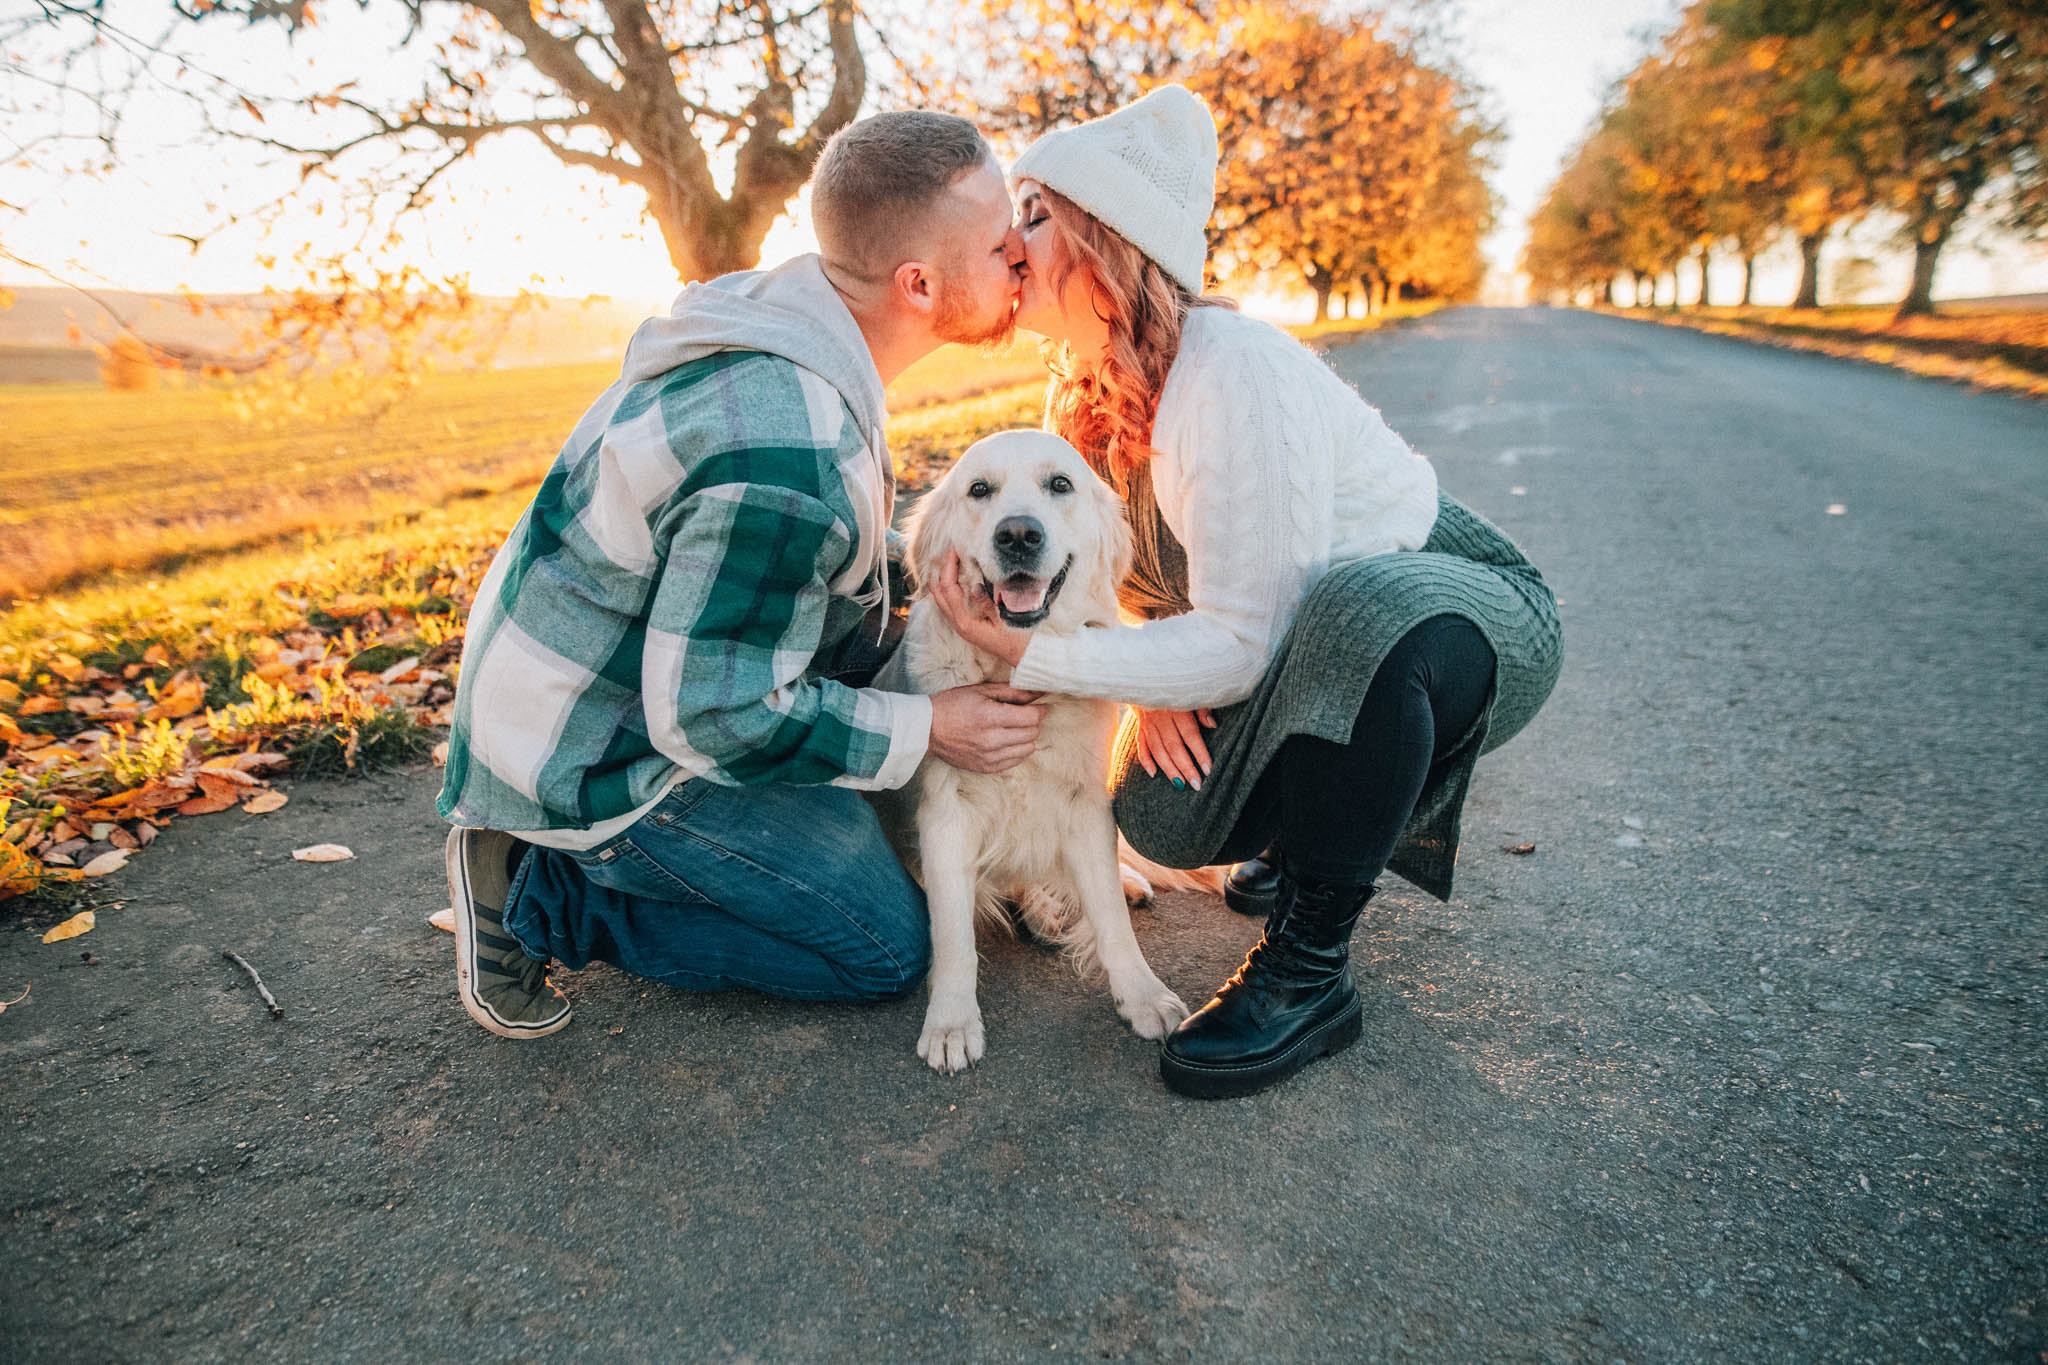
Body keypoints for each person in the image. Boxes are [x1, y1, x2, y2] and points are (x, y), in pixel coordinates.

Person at [930, 86, 1564, 1098]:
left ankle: (1309, 971)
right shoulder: (1081, 390)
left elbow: (1245, 634)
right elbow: (1121, 583)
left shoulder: (1232, 371)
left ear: (1107, 239)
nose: (1011, 241)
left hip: (1466, 610)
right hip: (1299, 626)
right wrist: (1147, 677)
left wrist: (1028, 652)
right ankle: (1316, 826)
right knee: (1163, 815)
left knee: (1352, 608)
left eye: (1036, 214)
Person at [438, 111, 1048, 1039]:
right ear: (917, 284)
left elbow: (792, 558)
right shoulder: (785, 440)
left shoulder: (794, 324)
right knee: (883, 945)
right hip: (604, 757)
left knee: (893, 685)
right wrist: (929, 726)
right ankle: (540, 887)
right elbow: (713, 717)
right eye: (1001, 239)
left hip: (623, 674)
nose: (1021, 253)